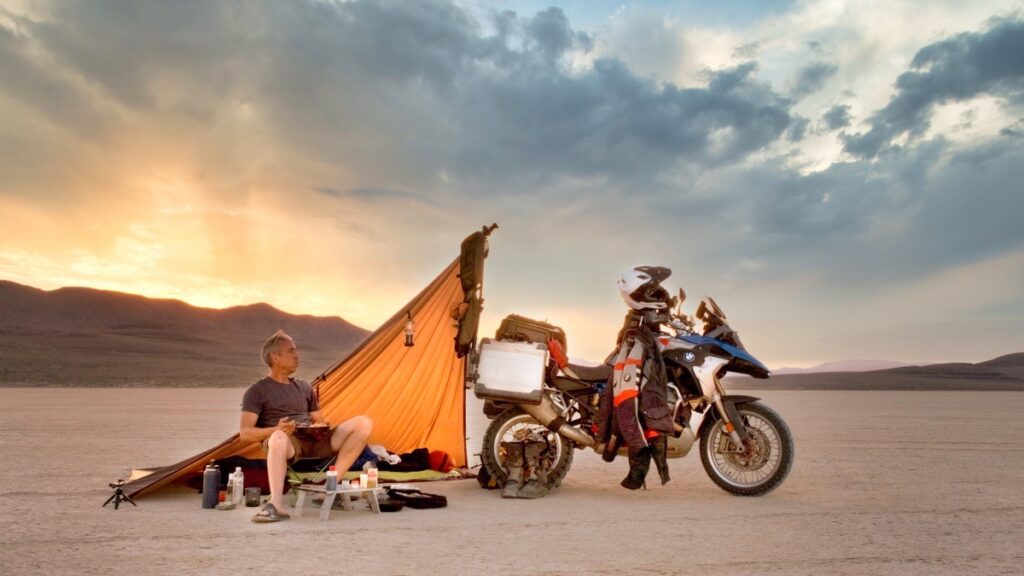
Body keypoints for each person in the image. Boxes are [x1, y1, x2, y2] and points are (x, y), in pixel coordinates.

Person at [239, 330, 373, 522]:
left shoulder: (304, 387)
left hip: (316, 440)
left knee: (363, 423)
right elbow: (245, 433)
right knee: (277, 438)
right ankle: (276, 505)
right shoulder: (257, 391)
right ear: (275, 357)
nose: (297, 356)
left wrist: (320, 425)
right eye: (291, 351)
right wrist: (276, 429)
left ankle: (329, 488)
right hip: (289, 443)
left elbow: (319, 418)